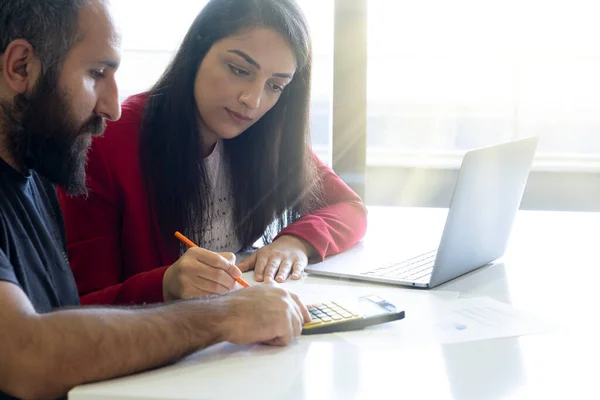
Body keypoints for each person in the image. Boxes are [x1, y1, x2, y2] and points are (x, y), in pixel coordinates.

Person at [0, 1, 310, 399]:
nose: (112, 107)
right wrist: (225, 315)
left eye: (275, 85)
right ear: (21, 66)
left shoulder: (38, 169)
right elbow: (28, 356)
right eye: (96, 74)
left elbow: (65, 321)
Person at [57, 0, 368, 306]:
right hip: (156, 348)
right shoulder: (109, 143)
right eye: (239, 69)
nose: (252, 100)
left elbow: (350, 208)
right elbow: (77, 308)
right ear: (198, 50)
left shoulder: (264, 136)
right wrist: (165, 284)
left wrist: (295, 243)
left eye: (275, 86)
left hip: (238, 337)